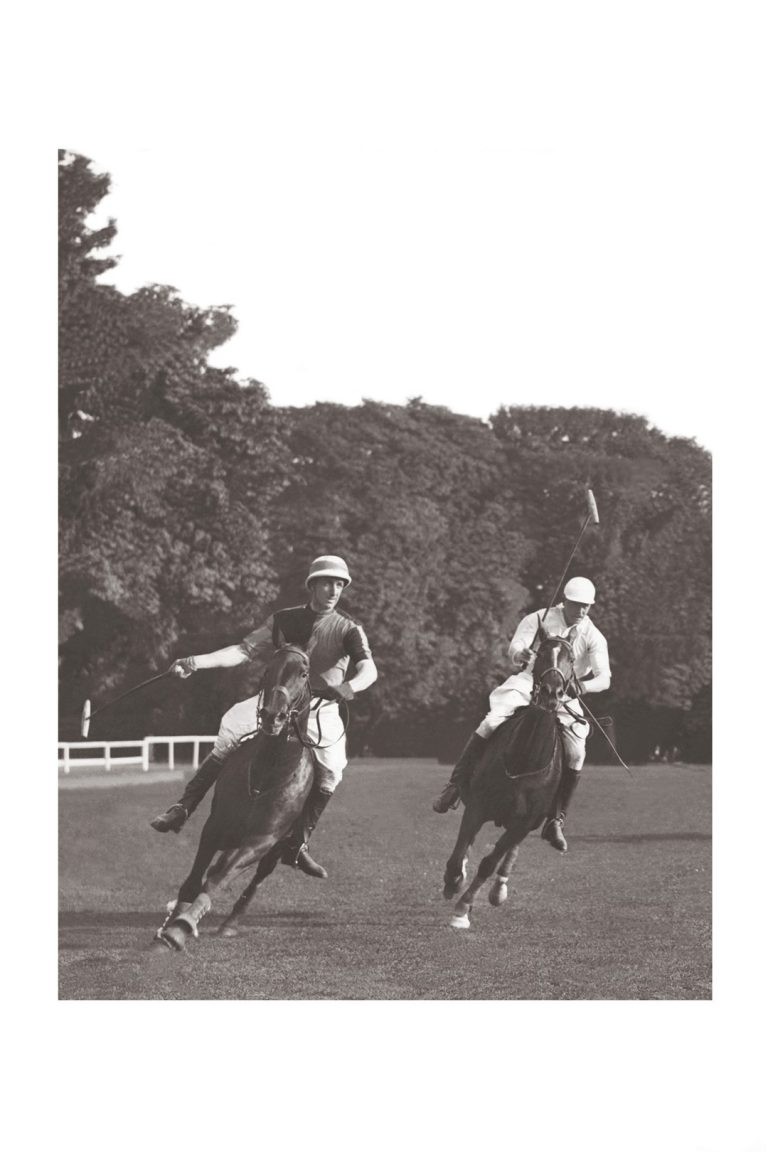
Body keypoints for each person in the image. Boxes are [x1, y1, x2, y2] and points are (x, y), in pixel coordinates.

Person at [150, 556, 377, 878]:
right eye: (327, 582)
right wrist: (195, 662)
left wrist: (348, 688)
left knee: (333, 771)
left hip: (320, 708)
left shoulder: (349, 628)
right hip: (275, 701)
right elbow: (243, 651)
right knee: (231, 726)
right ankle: (183, 807)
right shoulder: (283, 619)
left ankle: (297, 843)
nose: (334, 589)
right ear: (312, 584)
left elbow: (370, 669)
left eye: (340, 584)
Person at [432, 576, 611, 852]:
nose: (582, 611)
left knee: (577, 751)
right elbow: (515, 648)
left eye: (587, 606)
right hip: (529, 682)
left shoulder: (593, 635)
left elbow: (605, 678)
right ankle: (454, 786)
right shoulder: (538, 619)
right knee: (491, 721)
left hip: (566, 692)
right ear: (565, 601)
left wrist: (581, 686)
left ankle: (556, 819)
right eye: (577, 605)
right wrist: (522, 655)